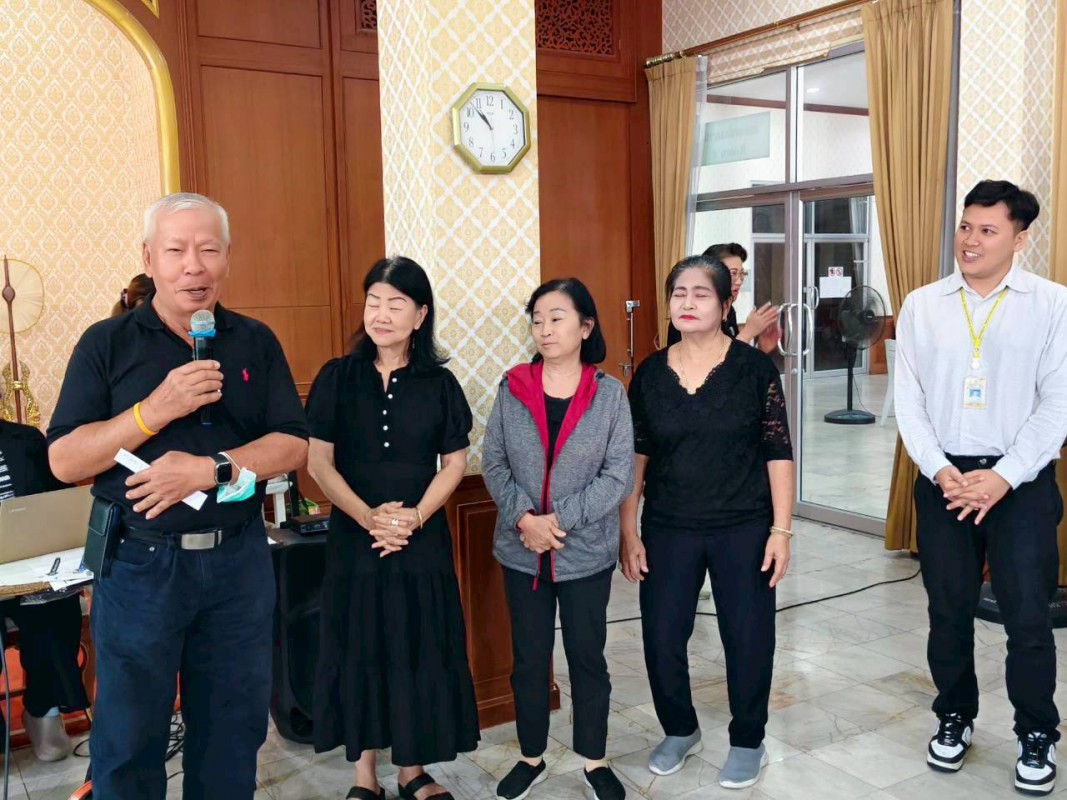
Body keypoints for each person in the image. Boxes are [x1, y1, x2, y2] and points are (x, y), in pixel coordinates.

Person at [46, 192, 309, 800]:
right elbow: (64, 459)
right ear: (148, 257)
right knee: (128, 739)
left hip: (238, 561)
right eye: (176, 250)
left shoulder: (255, 340)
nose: (194, 266)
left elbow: (292, 444)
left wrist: (210, 469)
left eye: (209, 250)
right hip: (141, 566)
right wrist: (153, 410)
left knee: (232, 735)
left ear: (227, 257)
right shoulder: (106, 343)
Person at [895, 180, 1067, 796]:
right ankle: (954, 715)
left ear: (1019, 239)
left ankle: (1036, 731)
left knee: (1027, 616)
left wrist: (1002, 477)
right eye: (966, 226)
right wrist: (938, 468)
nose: (970, 240)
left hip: (1020, 481)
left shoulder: (1052, 305)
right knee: (947, 612)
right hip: (944, 480)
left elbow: (1057, 406)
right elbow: (909, 400)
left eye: (987, 230)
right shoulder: (923, 304)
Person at [306, 256, 479, 800]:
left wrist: (415, 517)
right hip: (354, 538)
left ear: (420, 315)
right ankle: (365, 776)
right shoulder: (337, 377)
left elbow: (454, 464)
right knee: (360, 646)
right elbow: (318, 463)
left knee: (416, 646)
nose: (381, 314)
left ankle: (411, 771)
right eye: (373, 302)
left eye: (396, 304)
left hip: (418, 539)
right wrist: (367, 517)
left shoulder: (440, 383)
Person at [621, 254, 794, 790]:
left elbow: (778, 451)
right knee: (662, 634)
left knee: (748, 635)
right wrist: (628, 529)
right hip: (668, 524)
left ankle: (748, 740)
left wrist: (781, 530)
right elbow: (636, 457)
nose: (688, 303)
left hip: (743, 524)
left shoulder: (753, 370)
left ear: (724, 303)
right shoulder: (650, 373)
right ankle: (680, 729)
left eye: (701, 293)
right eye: (679, 293)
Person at [482, 278, 634, 800]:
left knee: (587, 658)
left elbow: (618, 476)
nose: (544, 329)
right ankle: (531, 756)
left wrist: (555, 521)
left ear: (585, 327)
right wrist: (526, 519)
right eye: (537, 320)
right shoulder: (513, 387)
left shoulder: (609, 394)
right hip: (521, 551)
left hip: (584, 553)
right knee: (528, 659)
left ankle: (595, 759)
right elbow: (493, 462)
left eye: (556, 318)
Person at [0, 417, 90, 762]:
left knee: (54, 610)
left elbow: (59, 501)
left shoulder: (25, 439)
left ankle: (44, 711)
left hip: (29, 563)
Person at [666, 243, 777, 350]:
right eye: (733, 273)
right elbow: (711, 359)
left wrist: (762, 346)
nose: (739, 281)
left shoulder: (729, 311)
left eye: (742, 274)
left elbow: (735, 355)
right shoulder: (690, 314)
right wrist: (747, 333)